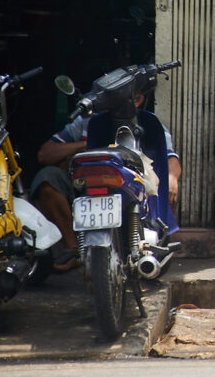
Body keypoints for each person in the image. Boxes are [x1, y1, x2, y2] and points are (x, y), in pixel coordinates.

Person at [33, 92, 183, 272]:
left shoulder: (149, 125)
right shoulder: (85, 123)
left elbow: (170, 158)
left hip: (131, 191)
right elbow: (45, 154)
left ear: (137, 99)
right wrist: (84, 146)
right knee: (47, 178)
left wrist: (172, 178)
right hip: (85, 186)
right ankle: (74, 251)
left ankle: (145, 246)